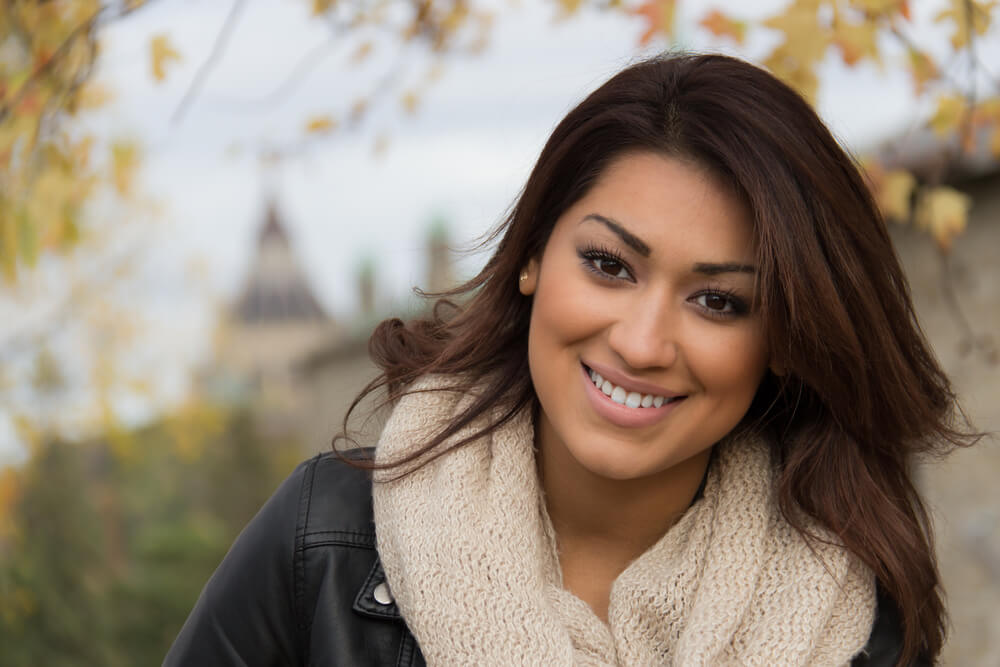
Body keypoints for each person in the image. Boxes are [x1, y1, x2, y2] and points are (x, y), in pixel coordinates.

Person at [165, 53, 975, 666]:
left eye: (719, 301)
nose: (641, 341)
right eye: (609, 265)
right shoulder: (327, 544)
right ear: (532, 260)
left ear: (789, 344)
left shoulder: (856, 623)